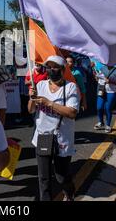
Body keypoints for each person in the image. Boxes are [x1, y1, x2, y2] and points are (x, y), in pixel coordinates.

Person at [28, 56, 79, 201]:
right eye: (48, 67)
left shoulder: (70, 87)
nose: (51, 70)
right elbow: (31, 110)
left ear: (63, 70)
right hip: (42, 137)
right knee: (44, 179)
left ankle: (69, 193)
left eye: (54, 67)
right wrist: (32, 98)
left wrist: (49, 103)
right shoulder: (40, 85)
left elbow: (72, 113)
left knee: (61, 177)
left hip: (61, 139)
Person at [94, 64, 116, 133]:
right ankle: (100, 122)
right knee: (99, 107)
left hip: (111, 91)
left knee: (108, 108)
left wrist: (110, 81)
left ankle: (108, 125)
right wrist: (96, 77)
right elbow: (98, 78)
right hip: (101, 90)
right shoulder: (101, 68)